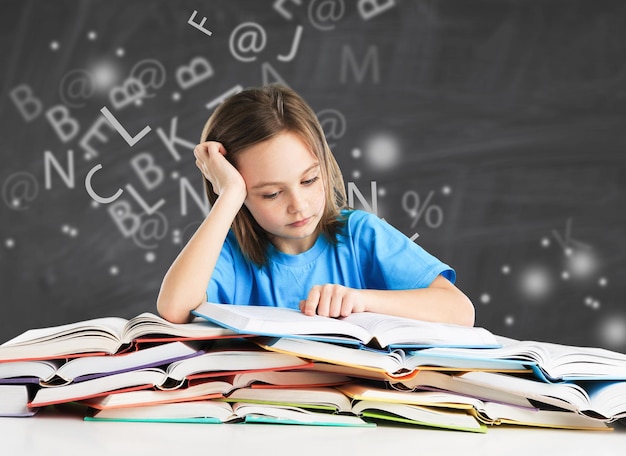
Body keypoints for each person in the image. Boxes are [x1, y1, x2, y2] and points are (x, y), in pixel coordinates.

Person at [157, 84, 475, 326]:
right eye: (271, 194)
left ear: (323, 164)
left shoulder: (361, 234)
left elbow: (460, 311)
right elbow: (174, 309)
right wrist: (229, 194)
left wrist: (360, 300)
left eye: (309, 180)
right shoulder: (230, 254)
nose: (299, 205)